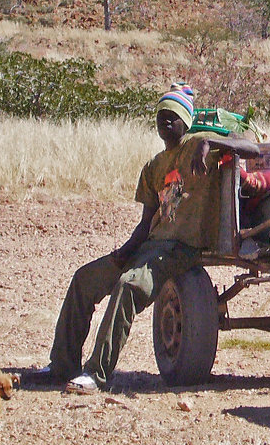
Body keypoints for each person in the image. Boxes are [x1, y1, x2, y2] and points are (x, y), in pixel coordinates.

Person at [34, 83, 226, 394]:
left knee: (129, 286)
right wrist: (123, 253)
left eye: (173, 116)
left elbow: (251, 148)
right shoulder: (153, 167)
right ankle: (61, 365)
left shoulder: (196, 146)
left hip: (181, 248)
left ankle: (95, 374)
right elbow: (146, 223)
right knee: (84, 279)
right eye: (161, 115)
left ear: (186, 122)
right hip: (150, 246)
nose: (166, 121)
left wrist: (208, 143)